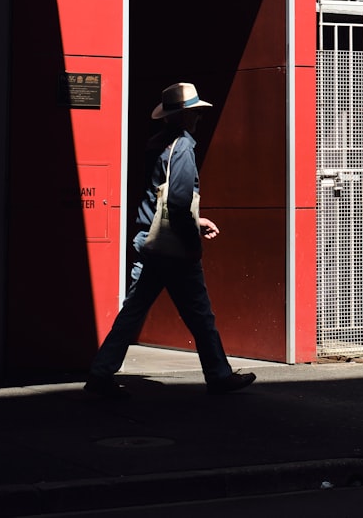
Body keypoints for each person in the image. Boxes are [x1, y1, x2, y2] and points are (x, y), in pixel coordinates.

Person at [84, 82, 256, 398]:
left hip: (147, 240)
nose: (199, 120)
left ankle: (100, 373)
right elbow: (177, 203)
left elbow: (159, 198)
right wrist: (192, 242)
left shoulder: (155, 144)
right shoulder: (185, 148)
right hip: (173, 249)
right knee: (200, 314)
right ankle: (218, 375)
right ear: (188, 116)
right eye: (195, 114)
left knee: (133, 311)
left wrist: (196, 220)